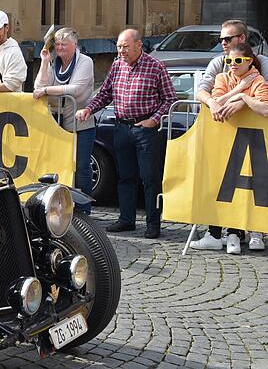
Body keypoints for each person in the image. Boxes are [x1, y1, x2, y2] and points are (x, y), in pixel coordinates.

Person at [75, 29, 177, 239]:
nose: (121, 51)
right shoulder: (117, 65)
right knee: (125, 176)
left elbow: (169, 99)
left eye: (125, 46)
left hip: (146, 129)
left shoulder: (155, 66)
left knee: (149, 178)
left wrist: (154, 120)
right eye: (119, 46)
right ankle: (126, 219)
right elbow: (105, 93)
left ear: (139, 45)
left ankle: (152, 224)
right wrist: (89, 109)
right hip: (121, 127)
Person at [191, 19, 268, 253]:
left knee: (256, 183)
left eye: (227, 39)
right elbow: (201, 92)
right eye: (221, 39)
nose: (222, 43)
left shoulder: (263, 64)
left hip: (257, 137)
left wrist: (243, 102)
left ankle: (256, 230)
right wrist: (216, 103)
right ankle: (223, 232)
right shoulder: (219, 65)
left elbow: (264, 99)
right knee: (220, 183)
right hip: (224, 135)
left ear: (242, 39)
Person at [33, 28, 96, 214]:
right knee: (59, 165)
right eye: (57, 44)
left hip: (81, 123)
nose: (59, 47)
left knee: (81, 167)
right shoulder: (54, 63)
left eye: (64, 44)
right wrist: (44, 62)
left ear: (74, 45)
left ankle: (84, 209)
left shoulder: (85, 61)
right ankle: (61, 207)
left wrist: (47, 92)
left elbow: (75, 89)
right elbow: (39, 85)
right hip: (57, 124)